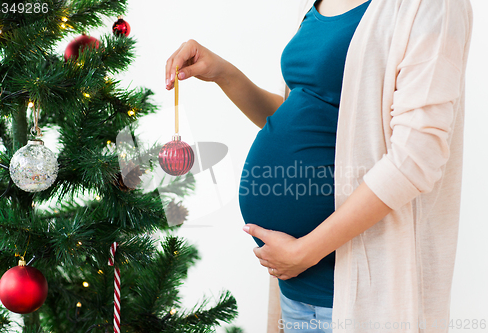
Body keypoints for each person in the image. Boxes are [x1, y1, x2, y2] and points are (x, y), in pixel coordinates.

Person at [165, 0, 473, 332]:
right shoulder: (315, 4)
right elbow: (304, 118)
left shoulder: (432, 5)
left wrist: (305, 251)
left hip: (356, 300)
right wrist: (223, 73)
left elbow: (415, 158)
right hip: (296, 296)